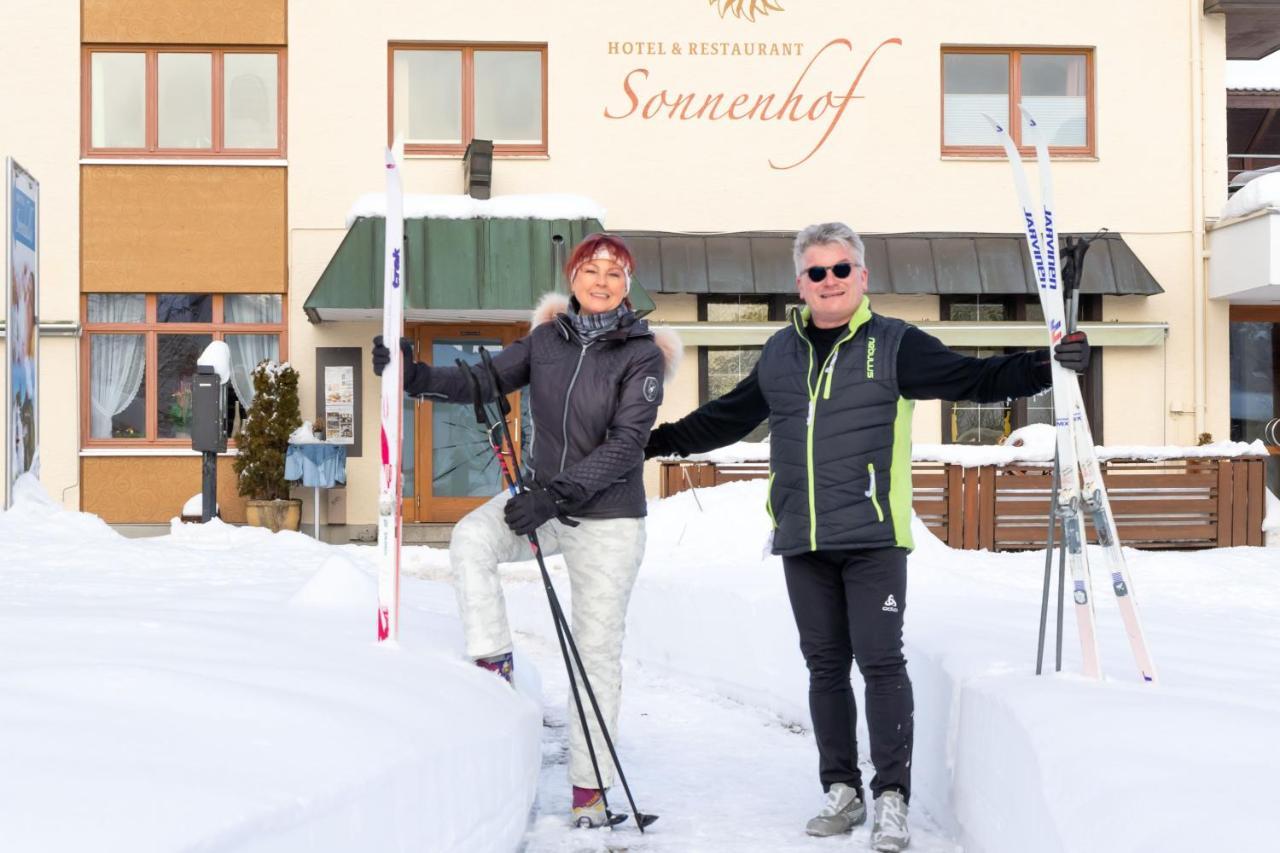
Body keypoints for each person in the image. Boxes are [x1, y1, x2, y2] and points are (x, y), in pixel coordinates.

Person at [644, 222, 1090, 852]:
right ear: (800, 283)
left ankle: (891, 798)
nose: (830, 282)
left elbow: (976, 379)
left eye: (841, 269)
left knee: (880, 663)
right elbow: (725, 418)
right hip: (803, 538)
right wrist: (652, 441)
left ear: (863, 275)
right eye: (817, 272)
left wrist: (1049, 364)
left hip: (874, 536)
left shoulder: (896, 344)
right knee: (825, 666)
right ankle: (841, 789)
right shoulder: (779, 352)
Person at [372, 234, 679, 828]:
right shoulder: (547, 340)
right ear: (573, 278)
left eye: (615, 272)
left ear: (627, 284)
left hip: (607, 518)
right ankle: (496, 665)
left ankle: (590, 789)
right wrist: (413, 376)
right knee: (472, 539)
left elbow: (626, 446)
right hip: (545, 502)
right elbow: (483, 381)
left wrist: (553, 495)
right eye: (591, 269)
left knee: (594, 653)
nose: (602, 279)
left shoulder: (640, 355)